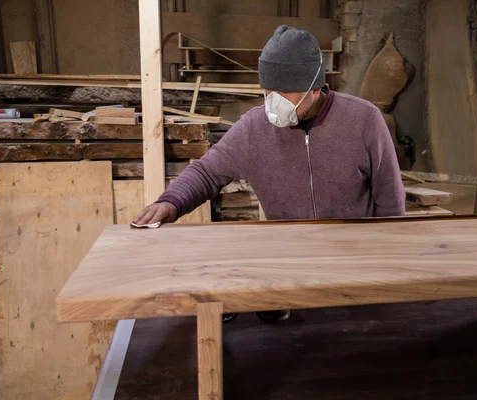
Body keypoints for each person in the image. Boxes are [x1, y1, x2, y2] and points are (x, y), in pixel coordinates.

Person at [134, 25, 406, 323]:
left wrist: (386, 266)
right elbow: (207, 172)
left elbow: (389, 194)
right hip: (289, 262)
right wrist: (171, 202)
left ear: (314, 88)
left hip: (353, 261)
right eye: (267, 90)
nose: (272, 100)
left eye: (283, 91)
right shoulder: (253, 128)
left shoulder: (364, 120)